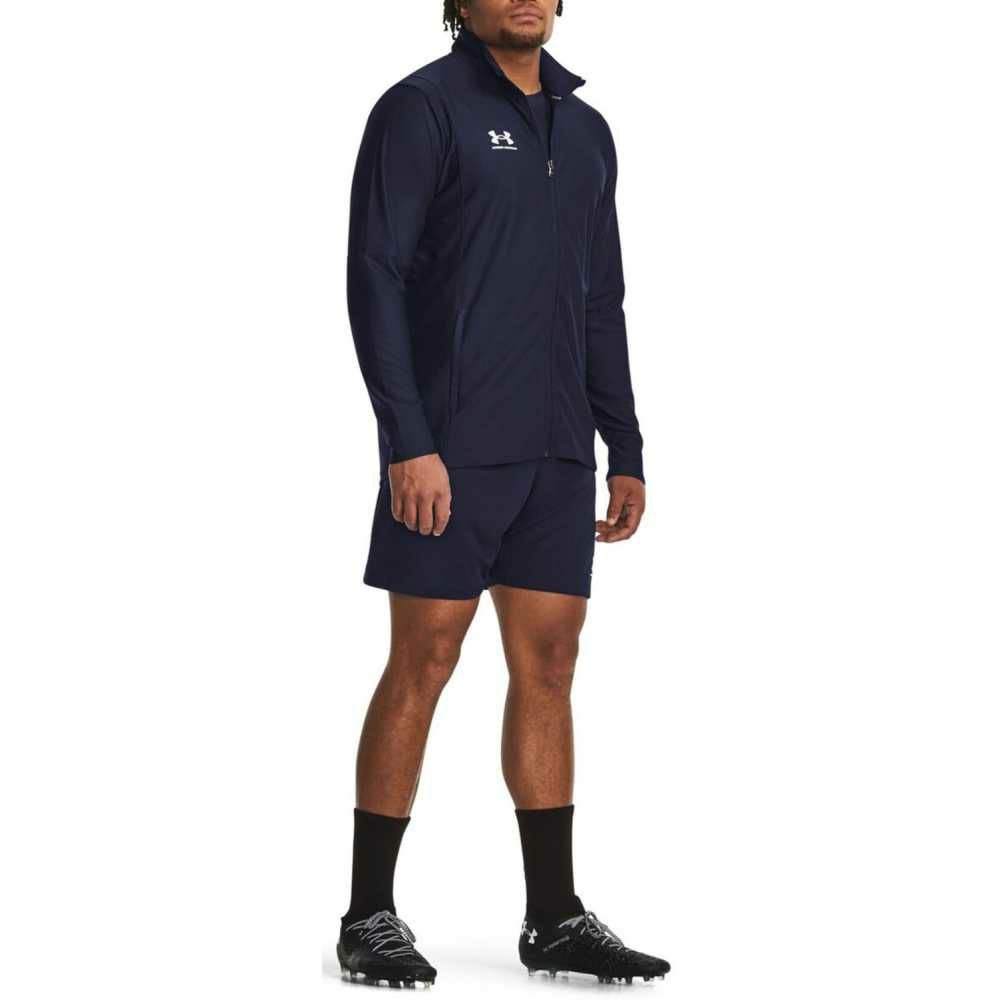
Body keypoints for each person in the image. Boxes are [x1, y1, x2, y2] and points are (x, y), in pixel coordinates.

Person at [337, 0, 670, 986]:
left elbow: (601, 296)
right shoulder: (421, 108)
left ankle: (554, 917)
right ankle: (368, 914)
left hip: (558, 452)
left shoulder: (587, 128)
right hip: (451, 448)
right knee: (425, 657)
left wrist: (623, 443)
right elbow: (375, 274)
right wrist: (408, 441)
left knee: (551, 664)